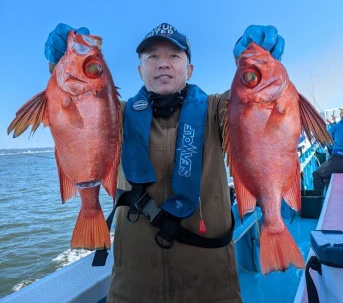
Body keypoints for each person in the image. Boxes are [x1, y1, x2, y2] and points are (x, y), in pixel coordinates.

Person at [44, 22, 285, 303]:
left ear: (189, 69)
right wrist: (60, 62)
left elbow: (254, 101)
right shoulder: (113, 114)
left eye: (174, 56)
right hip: (132, 288)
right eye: (152, 57)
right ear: (140, 70)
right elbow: (80, 109)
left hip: (212, 287)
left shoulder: (217, 110)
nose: (163, 64)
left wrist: (251, 60)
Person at [313, 108, 343, 192]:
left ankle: (318, 202)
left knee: (317, 174)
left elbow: (327, 142)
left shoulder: (336, 127)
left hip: (338, 160)